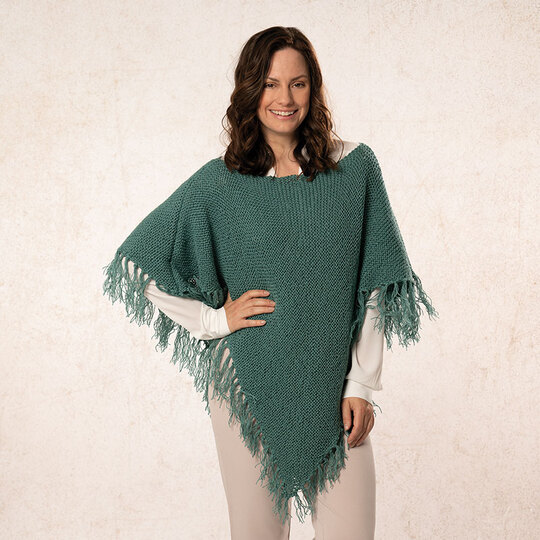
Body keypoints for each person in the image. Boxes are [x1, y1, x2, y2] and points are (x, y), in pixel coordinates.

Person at [102, 26, 438, 540]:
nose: (285, 98)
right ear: (249, 90)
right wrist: (212, 320)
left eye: (298, 84)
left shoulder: (355, 168)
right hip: (246, 386)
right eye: (270, 84)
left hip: (335, 387)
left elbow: (376, 285)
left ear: (313, 88)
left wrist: (361, 384)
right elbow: (138, 260)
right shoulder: (219, 183)